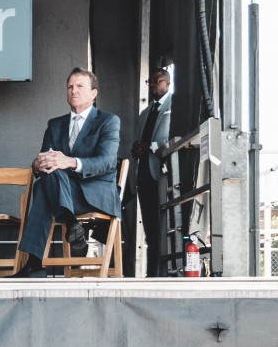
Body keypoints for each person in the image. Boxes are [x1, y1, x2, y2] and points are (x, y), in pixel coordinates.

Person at [10, 68, 122, 277]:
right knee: (46, 179)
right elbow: (46, 160)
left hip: (93, 192)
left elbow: (106, 162)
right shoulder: (55, 124)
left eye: (80, 86)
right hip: (61, 191)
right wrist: (37, 164)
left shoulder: (108, 121)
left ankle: (34, 265)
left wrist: (69, 162)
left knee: (44, 186)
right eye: (70, 86)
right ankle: (71, 224)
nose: (74, 90)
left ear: (94, 93)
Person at [123, 68, 172, 277]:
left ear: (167, 83)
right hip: (143, 174)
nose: (152, 85)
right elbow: (138, 141)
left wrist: (150, 146)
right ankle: (151, 273)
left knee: (163, 226)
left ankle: (162, 273)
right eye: (149, 81)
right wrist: (136, 148)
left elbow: (173, 138)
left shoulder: (174, 107)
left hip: (162, 174)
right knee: (150, 229)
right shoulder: (145, 113)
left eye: (156, 81)